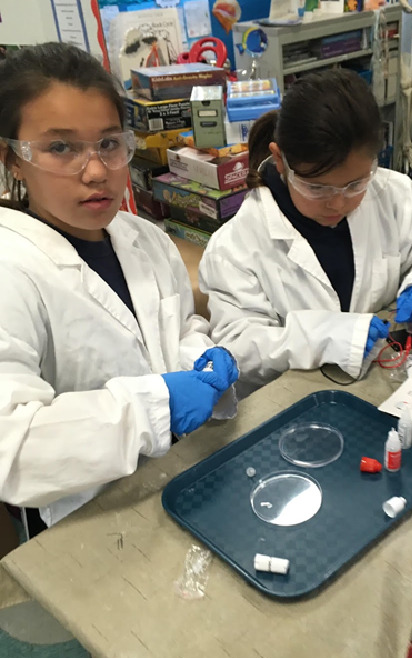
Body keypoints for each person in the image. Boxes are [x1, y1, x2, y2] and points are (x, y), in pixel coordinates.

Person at [0, 42, 238, 532]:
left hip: (180, 479)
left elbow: (181, 323)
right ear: (13, 159)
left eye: (109, 144)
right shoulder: (11, 271)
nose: (95, 171)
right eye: (60, 147)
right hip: (86, 521)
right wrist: (155, 407)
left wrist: (200, 355)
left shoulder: (142, 237)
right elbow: (13, 449)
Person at [199, 68, 412, 398]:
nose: (338, 203)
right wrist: (326, 336)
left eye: (355, 184)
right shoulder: (235, 246)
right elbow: (240, 348)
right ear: (280, 160)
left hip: (385, 386)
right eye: (317, 187)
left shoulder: (391, 194)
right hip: (297, 405)